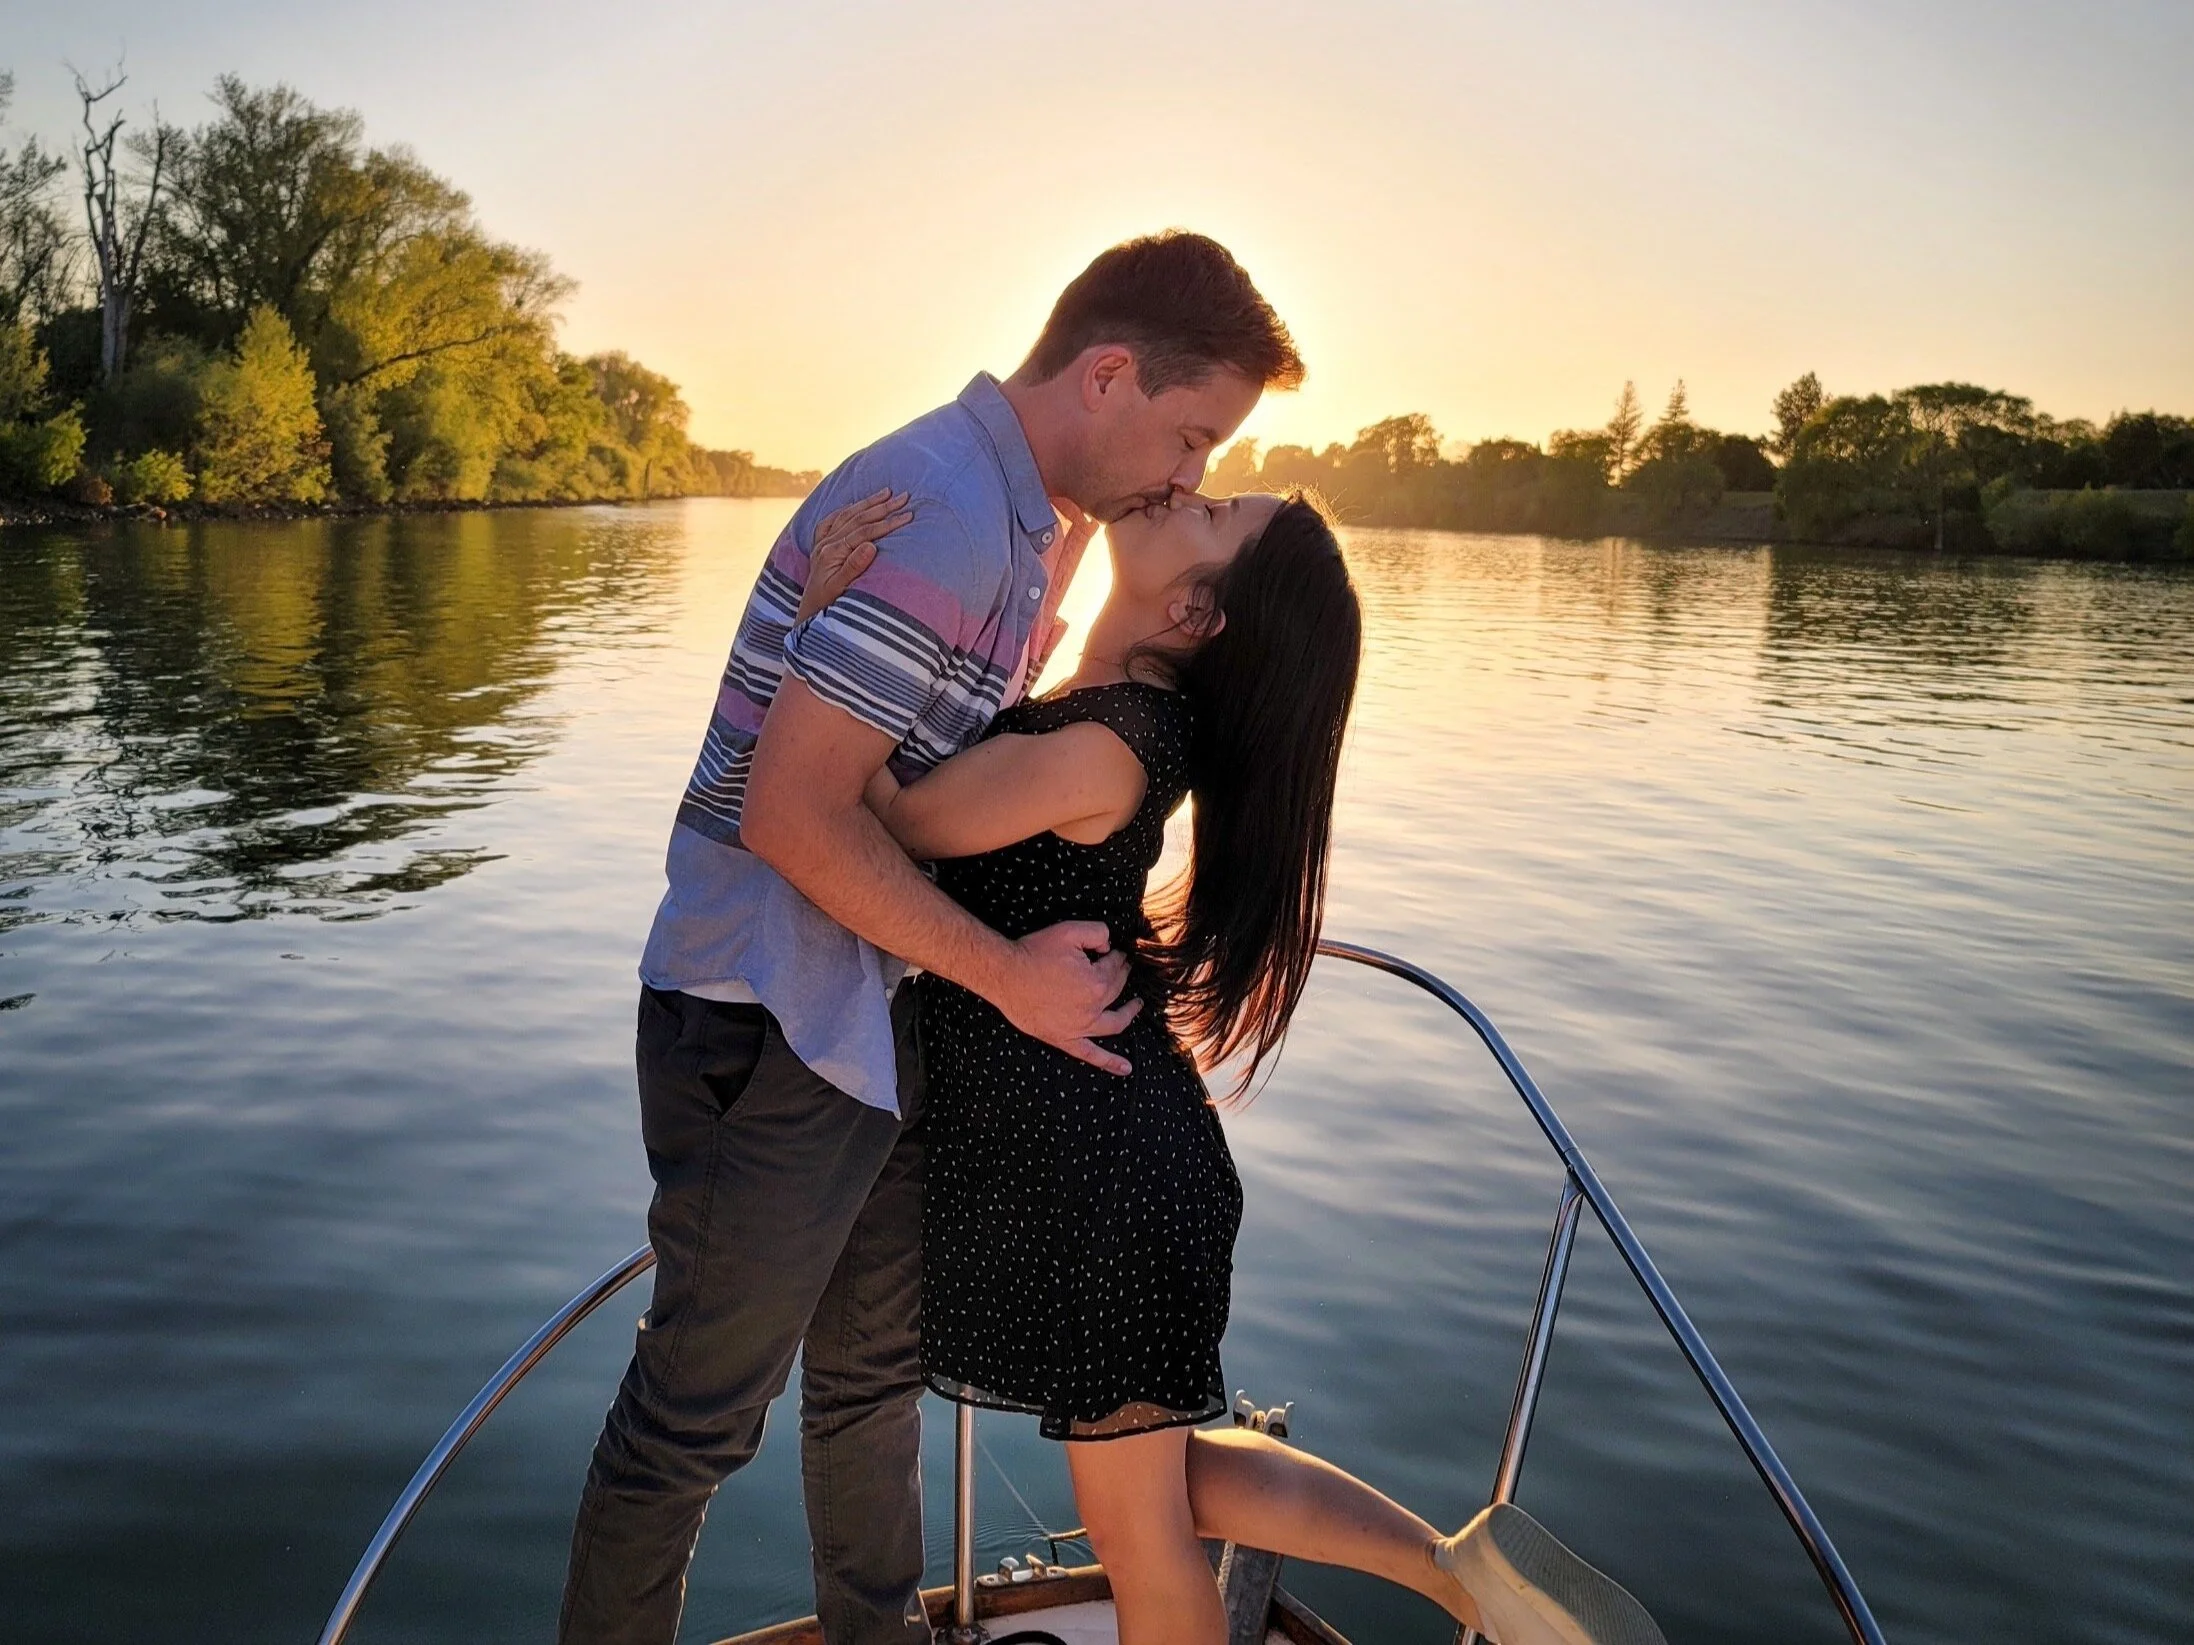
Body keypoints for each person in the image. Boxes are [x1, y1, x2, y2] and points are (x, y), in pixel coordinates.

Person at [557, 231, 1304, 1645]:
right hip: (771, 1012)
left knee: (866, 1385)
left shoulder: (1036, 531)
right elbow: (793, 814)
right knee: (693, 1424)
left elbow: (949, 772)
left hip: (873, 1005)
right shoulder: (947, 515)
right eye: (1191, 435)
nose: (1187, 474)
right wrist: (1009, 975)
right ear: (1108, 374)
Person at [797, 488, 1666, 1645]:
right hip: (1118, 1154)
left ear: (1196, 611)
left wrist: (820, 632)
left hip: (1101, 1177)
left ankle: (1460, 1572)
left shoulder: (1107, 743)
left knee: (1140, 1537)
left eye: (1209, 511)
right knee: (1162, 1479)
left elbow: (896, 821)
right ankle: (1458, 1569)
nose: (1179, 492)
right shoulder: (1118, 715)